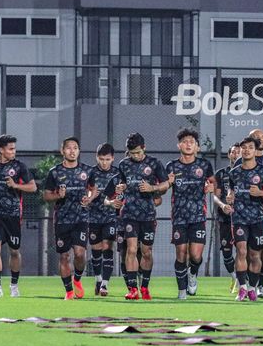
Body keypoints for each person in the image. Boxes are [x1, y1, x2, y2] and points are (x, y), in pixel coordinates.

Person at [0, 134, 37, 297]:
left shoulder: (19, 166)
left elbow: (33, 187)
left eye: (14, 148)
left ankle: (14, 285)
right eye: (10, 149)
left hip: (14, 215)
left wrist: (15, 185)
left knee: (14, 251)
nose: (13, 151)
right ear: (1, 150)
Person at [114, 133, 169, 300]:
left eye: (138, 152)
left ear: (144, 148)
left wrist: (152, 188)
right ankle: (132, 289)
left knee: (146, 252)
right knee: (130, 249)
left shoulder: (154, 163)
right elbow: (121, 184)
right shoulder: (123, 164)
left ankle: (144, 287)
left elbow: (166, 185)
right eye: (132, 153)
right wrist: (120, 188)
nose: (135, 156)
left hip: (148, 215)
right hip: (129, 214)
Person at [226, 137, 263, 302]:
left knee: (254, 255)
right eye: (244, 147)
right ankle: (242, 288)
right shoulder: (234, 172)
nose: (247, 150)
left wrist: (261, 193)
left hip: (258, 218)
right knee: (241, 251)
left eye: (250, 147)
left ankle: (252, 288)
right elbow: (231, 188)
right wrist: (230, 195)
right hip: (239, 218)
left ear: (255, 151)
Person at [165, 128, 215, 299]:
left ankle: (193, 275)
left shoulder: (204, 165)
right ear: (179, 145)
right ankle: (181, 291)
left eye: (191, 142)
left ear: (197, 147)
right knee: (181, 253)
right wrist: (168, 183)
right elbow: (162, 190)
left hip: (198, 216)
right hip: (179, 217)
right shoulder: (171, 166)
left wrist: (212, 187)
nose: (188, 145)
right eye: (185, 142)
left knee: (195, 255)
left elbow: (215, 185)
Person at [43, 137, 95, 300]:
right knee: (64, 256)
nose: (72, 151)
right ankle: (69, 291)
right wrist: (58, 194)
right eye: (69, 148)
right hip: (62, 220)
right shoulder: (55, 172)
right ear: (62, 151)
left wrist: (89, 198)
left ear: (79, 151)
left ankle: (77, 279)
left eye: (75, 148)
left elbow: (93, 189)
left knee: (80, 254)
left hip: (81, 218)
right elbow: (46, 195)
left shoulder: (87, 171)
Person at [87, 143, 119, 296]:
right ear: (97, 158)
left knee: (108, 247)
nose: (104, 162)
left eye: (107, 159)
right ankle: (98, 279)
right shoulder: (90, 173)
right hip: (93, 217)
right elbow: (86, 193)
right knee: (96, 250)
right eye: (101, 159)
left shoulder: (118, 174)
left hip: (110, 217)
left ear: (112, 158)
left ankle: (105, 285)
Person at [213, 143, 241, 293]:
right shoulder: (221, 173)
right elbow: (215, 197)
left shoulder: (246, 173)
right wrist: (223, 205)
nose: (236, 154)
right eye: (233, 152)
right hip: (224, 218)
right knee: (227, 251)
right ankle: (234, 276)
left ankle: (242, 280)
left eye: (239, 152)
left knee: (243, 250)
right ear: (229, 155)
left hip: (242, 217)